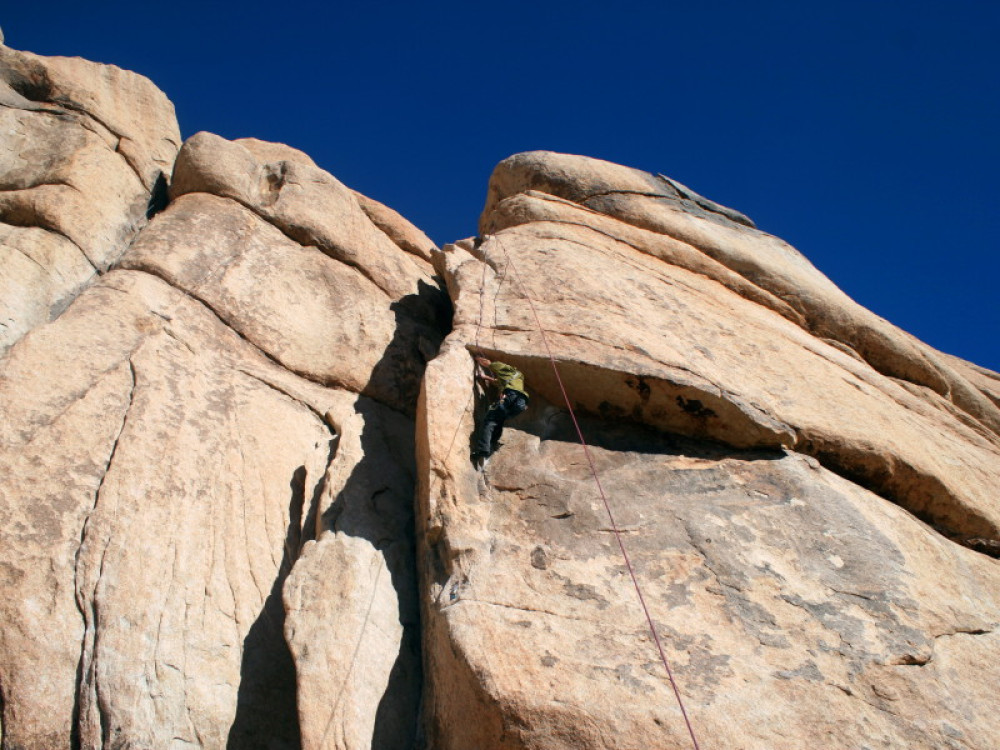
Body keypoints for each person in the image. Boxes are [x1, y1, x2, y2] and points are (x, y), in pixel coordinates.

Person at [471, 355, 529, 468]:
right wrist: (486, 378)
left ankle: (483, 450)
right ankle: (493, 442)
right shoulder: (517, 379)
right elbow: (497, 382)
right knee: (498, 420)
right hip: (520, 403)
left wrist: (477, 358)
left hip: (509, 397)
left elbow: (488, 363)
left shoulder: (504, 368)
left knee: (490, 421)